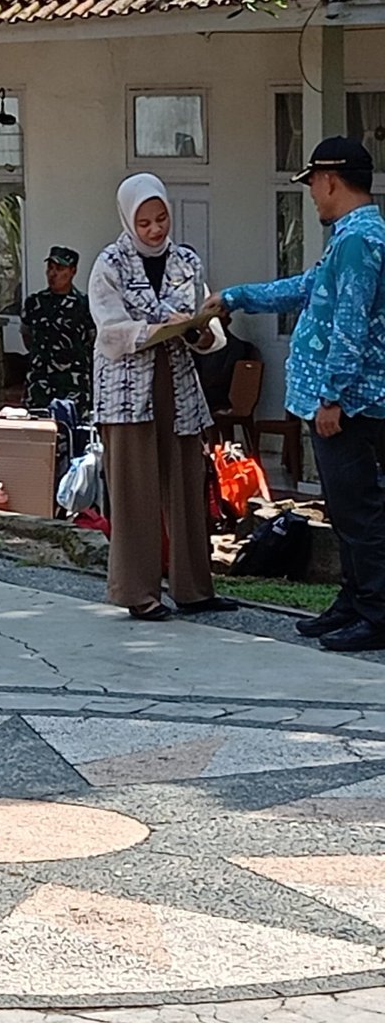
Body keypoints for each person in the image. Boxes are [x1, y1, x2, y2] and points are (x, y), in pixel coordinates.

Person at [210, 137, 385, 651]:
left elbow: (351, 324)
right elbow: (306, 289)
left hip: (349, 406)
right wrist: (236, 297)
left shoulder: (360, 240)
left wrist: (331, 398)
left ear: (330, 180)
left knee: (359, 511)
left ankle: (375, 613)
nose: (312, 195)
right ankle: (353, 601)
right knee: (345, 506)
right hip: (340, 403)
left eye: (313, 185)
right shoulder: (350, 236)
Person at [90, 173, 235, 622]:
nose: (156, 229)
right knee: (134, 492)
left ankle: (194, 587)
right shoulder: (109, 263)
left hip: (178, 384)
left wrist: (195, 329)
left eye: (162, 218)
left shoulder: (186, 261)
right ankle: (138, 592)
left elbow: (209, 331)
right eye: (145, 221)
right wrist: (153, 331)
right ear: (127, 219)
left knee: (188, 485)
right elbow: (110, 332)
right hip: (128, 389)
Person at [21, 245, 96, 413]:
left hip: (73, 384)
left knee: (73, 433)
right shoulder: (35, 302)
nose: (52, 274)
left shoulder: (84, 305)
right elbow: (26, 336)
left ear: (72, 271)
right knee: (36, 433)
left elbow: (93, 341)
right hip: (40, 382)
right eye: (50, 268)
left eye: (60, 268)